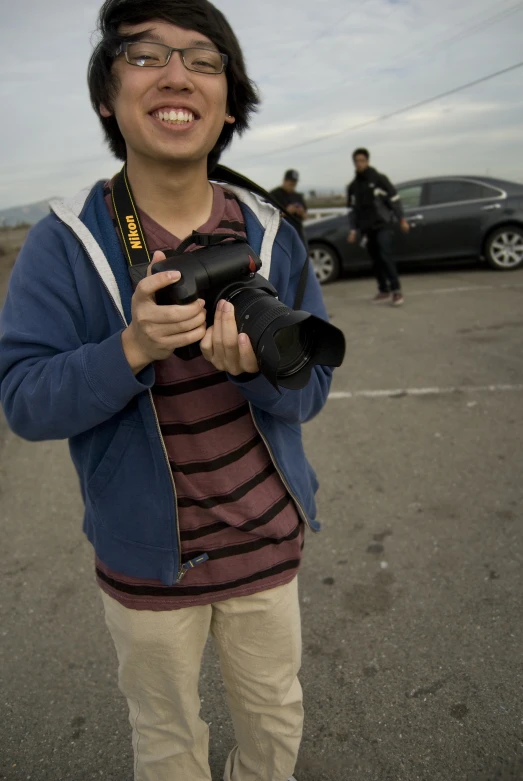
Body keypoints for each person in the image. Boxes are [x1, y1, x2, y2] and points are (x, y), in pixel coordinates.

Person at [0, 1, 335, 780]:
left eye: (202, 59)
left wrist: (258, 373)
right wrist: (131, 348)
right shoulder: (66, 243)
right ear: (106, 96)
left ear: (228, 99)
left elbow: (311, 385)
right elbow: (21, 397)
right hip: (149, 565)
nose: (176, 75)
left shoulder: (269, 232)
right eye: (144, 57)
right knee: (165, 736)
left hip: (266, 545)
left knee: (275, 715)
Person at [347, 148, 410, 306]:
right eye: (356, 161)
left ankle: (396, 291)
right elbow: (353, 210)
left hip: (383, 225)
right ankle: (384, 290)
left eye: (362, 160)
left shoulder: (379, 179)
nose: (359, 164)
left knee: (385, 255)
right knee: (375, 260)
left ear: (367, 161)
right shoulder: (353, 186)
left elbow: (394, 198)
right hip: (366, 229)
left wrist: (401, 219)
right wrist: (353, 230)